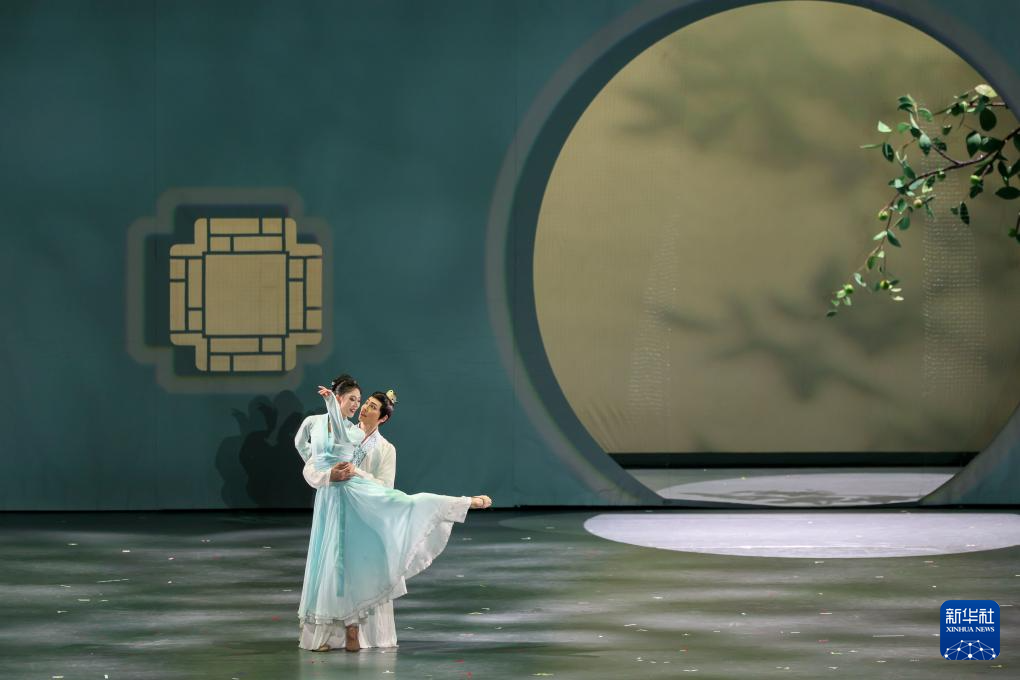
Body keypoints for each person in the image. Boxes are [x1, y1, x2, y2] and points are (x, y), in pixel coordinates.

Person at [293, 374, 491, 652]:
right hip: (334, 504)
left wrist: (355, 473)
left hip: (367, 508)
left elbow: (385, 487)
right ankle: (332, 631)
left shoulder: (380, 447)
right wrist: (325, 473)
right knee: (332, 565)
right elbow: (313, 456)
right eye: (360, 402)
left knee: (402, 514)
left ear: (383, 418)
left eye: (369, 405)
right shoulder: (338, 428)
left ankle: (461, 503)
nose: (362, 407)